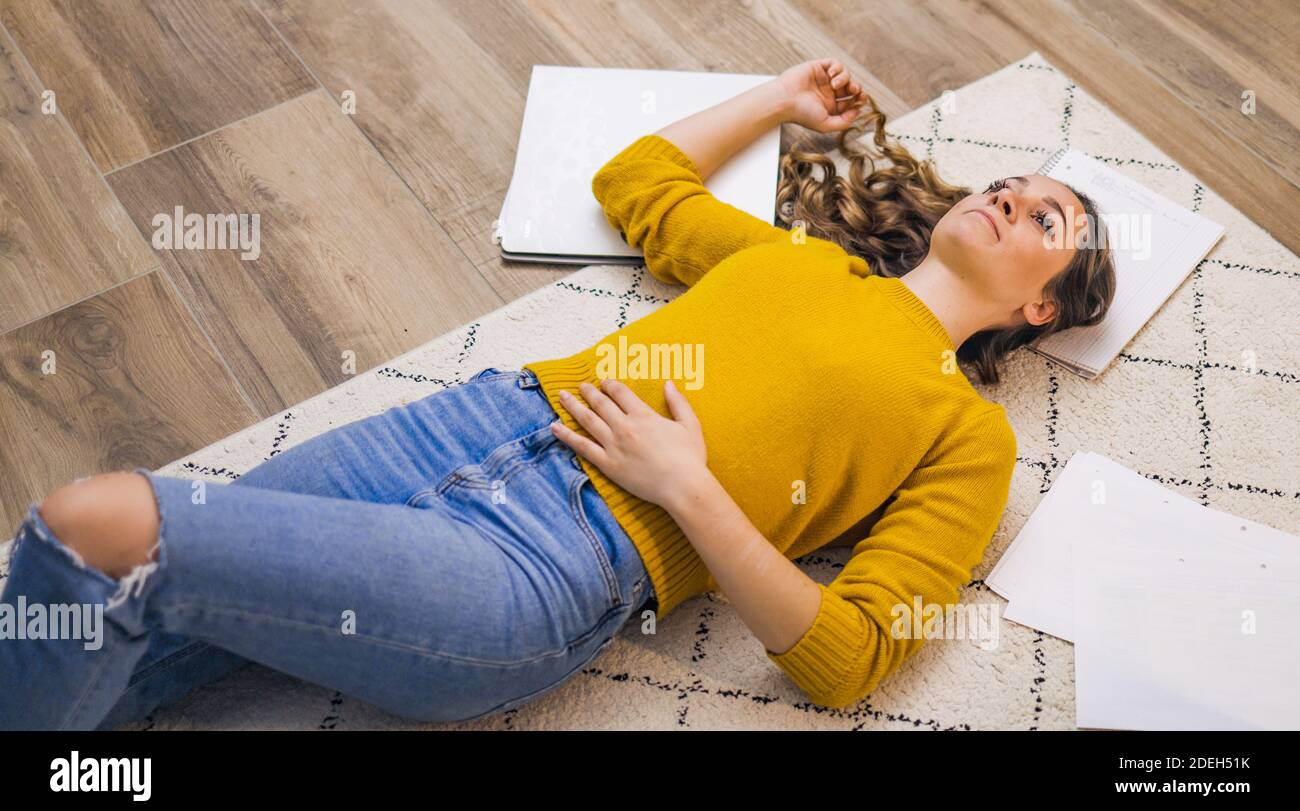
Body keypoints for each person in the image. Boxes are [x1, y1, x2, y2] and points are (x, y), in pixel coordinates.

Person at [0, 58, 1114, 729]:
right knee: (123, 625)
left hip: (550, 561)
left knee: (103, 525)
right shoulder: (801, 260)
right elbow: (636, 183)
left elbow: (850, 656)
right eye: (1008, 186)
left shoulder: (967, 436)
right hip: (467, 423)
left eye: (1043, 220)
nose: (1010, 200)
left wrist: (689, 489)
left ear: (1041, 312)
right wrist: (775, 97)